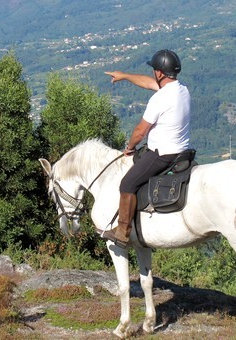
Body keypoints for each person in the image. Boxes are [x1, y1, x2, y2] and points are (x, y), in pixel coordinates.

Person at [101, 49, 191, 247]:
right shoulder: (182, 89)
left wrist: (130, 147)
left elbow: (140, 131)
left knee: (127, 184)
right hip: (182, 152)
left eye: (154, 70)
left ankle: (122, 232)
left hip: (163, 155)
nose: (153, 74)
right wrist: (124, 76)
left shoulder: (160, 98)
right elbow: (148, 83)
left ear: (159, 73)